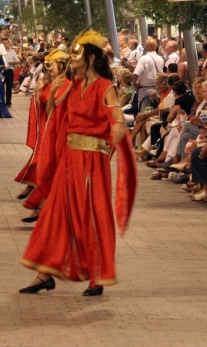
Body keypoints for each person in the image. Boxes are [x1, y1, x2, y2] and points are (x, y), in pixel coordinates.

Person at [19, 30, 137, 297]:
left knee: (92, 216)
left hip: (93, 162)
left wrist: (116, 132)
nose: (72, 61)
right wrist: (53, 92)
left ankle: (96, 277)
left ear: (91, 58)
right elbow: (53, 114)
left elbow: (116, 119)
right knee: (56, 214)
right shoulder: (73, 86)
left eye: (77, 56)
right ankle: (44, 274)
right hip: (69, 159)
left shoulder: (105, 87)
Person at [15, 49, 72, 222]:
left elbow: (56, 109)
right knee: (49, 172)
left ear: (61, 65)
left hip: (60, 135)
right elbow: (47, 109)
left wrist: (48, 91)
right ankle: (40, 207)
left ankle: (42, 208)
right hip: (50, 131)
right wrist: (40, 91)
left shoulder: (66, 83)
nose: (48, 69)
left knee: (51, 172)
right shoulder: (53, 82)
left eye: (52, 64)